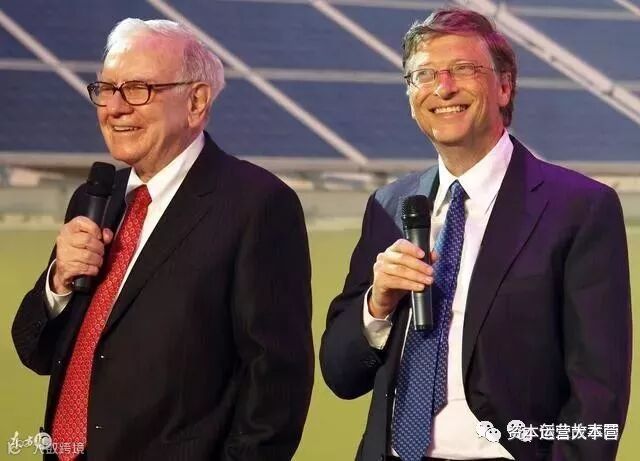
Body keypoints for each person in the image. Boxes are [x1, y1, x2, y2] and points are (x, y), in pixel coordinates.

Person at [320, 8, 631, 461]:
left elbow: (598, 389)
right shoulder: (390, 205)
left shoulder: (579, 208)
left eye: (463, 69)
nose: (443, 87)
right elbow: (340, 374)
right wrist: (377, 305)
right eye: (424, 74)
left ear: (504, 87)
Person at [12, 18, 314, 461]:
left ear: (196, 101)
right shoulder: (94, 199)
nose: (115, 107)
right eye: (106, 89)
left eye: (138, 89)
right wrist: (58, 283)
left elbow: (276, 383)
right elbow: (35, 350)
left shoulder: (257, 205)